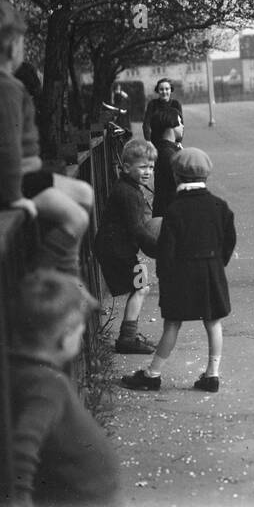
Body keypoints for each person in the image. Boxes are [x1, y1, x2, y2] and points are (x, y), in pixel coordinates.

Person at [0, 0, 94, 276]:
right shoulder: (5, 88)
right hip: (3, 181)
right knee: (75, 216)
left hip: (1, 176)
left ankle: (55, 267)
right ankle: (49, 278)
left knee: (84, 194)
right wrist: (15, 196)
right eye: (21, 42)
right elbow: (7, 147)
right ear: (10, 47)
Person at [122, 148, 236, 394]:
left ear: (176, 176)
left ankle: (153, 374)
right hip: (210, 273)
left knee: (172, 325)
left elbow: (167, 250)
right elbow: (229, 240)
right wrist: (217, 264)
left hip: (181, 276)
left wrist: (165, 276)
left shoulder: (174, 211)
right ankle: (212, 374)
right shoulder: (220, 206)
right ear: (206, 175)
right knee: (213, 323)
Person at [9, 270, 123, 507]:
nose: (82, 332)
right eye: (80, 328)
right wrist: (19, 505)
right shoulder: (47, 386)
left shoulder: (23, 371)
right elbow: (22, 445)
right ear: (64, 338)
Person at [93, 138, 162, 354]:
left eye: (151, 167)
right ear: (126, 167)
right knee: (140, 288)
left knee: (141, 287)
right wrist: (161, 249)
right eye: (142, 167)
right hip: (116, 250)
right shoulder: (127, 193)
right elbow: (138, 230)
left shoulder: (130, 187)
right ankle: (127, 339)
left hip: (119, 249)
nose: (147, 172)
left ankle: (129, 335)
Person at [146, 99, 183, 218]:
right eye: (179, 122)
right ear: (171, 125)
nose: (182, 126)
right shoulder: (168, 154)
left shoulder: (166, 149)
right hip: (169, 215)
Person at [142, 77, 184, 142]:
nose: (164, 92)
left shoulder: (176, 104)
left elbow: (180, 124)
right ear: (157, 91)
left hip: (172, 141)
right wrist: (148, 140)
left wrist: (179, 141)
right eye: (161, 89)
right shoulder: (152, 104)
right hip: (155, 141)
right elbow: (146, 124)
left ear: (171, 90)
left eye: (167, 89)